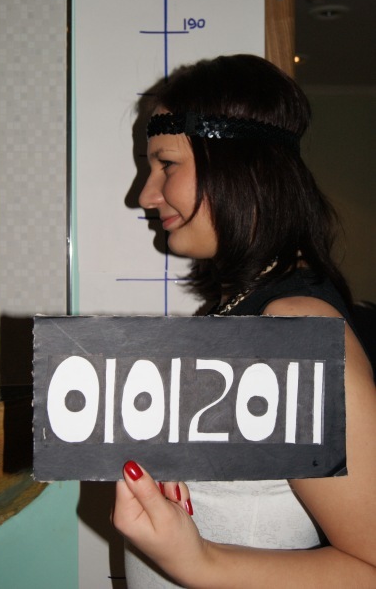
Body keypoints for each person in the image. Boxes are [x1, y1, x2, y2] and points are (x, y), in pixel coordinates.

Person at [112, 55, 376, 588]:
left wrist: (198, 562)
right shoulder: (236, 313)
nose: (145, 195)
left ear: (237, 165)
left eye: (166, 164)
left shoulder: (294, 332)